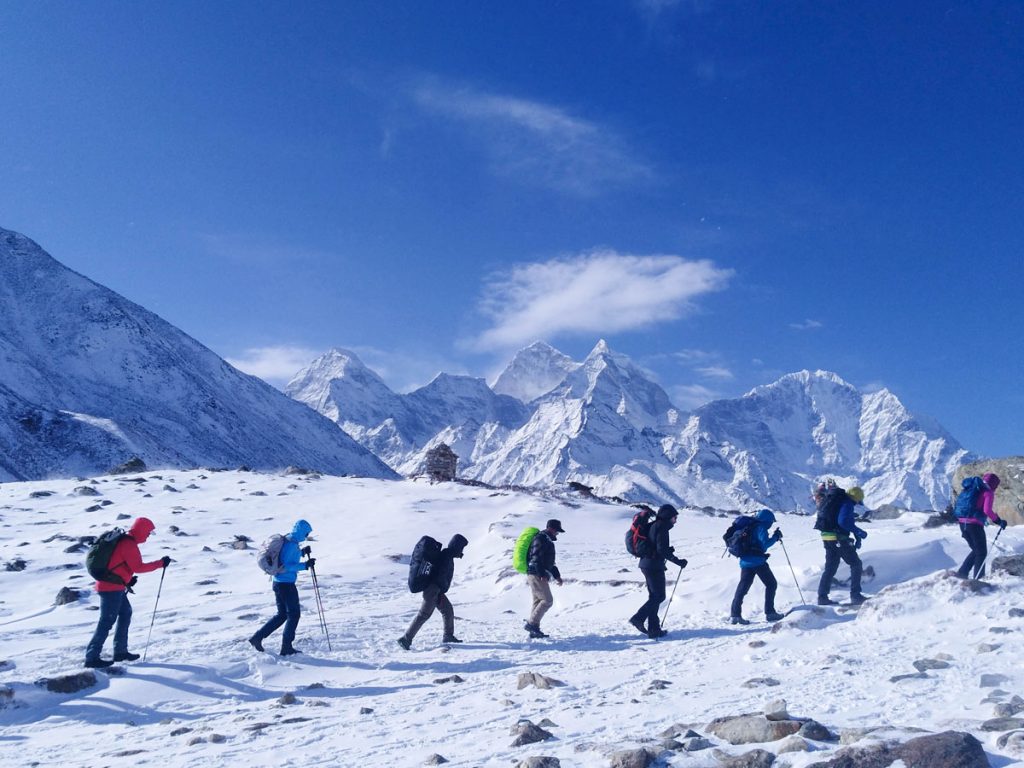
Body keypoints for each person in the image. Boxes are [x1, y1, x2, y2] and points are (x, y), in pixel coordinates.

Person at [84, 517, 170, 668]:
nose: (148, 535)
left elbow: (117, 564)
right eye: (148, 532)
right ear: (141, 530)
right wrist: (160, 563)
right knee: (106, 621)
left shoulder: (125, 541)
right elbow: (138, 567)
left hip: (113, 586)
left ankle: (120, 651)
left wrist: (126, 580)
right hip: (110, 588)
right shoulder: (128, 544)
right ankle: (92, 658)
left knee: (125, 613)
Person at [249, 519, 315, 656]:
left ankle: (257, 638)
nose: (307, 535)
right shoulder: (291, 544)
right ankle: (286, 647)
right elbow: (286, 566)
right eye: (307, 532)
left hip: (279, 583)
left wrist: (302, 553)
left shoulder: (289, 540)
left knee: (282, 615)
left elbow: (286, 559)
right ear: (302, 531)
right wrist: (305, 565)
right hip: (286, 585)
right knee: (294, 614)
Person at [398, 534, 469, 650]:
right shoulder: (446, 556)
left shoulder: (448, 555)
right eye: (461, 547)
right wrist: (439, 591)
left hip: (436, 590)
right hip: (433, 591)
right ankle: (406, 639)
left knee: (448, 610)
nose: (462, 550)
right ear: (457, 546)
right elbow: (439, 575)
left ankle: (448, 636)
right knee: (423, 615)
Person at [628, 504, 687, 638]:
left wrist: (666, 551)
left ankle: (654, 629)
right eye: (674, 517)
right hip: (653, 565)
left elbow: (656, 546)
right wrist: (678, 561)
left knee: (654, 596)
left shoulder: (655, 525)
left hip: (648, 563)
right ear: (668, 516)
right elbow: (661, 549)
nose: (675, 520)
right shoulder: (661, 527)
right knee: (659, 596)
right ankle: (638, 618)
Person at [729, 509, 785, 624]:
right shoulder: (761, 527)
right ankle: (770, 613)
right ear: (768, 520)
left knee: (742, 588)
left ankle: (735, 615)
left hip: (745, 561)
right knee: (771, 584)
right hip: (757, 562)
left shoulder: (750, 526)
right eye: (771, 521)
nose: (771, 524)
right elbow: (765, 544)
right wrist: (775, 537)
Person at [817, 486, 868, 606]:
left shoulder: (837, 501)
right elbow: (843, 522)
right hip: (838, 538)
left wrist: (856, 536)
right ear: (856, 498)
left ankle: (822, 597)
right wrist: (860, 532)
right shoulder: (847, 503)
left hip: (827, 537)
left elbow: (846, 522)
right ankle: (855, 595)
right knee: (856, 564)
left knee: (830, 568)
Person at [956, 472, 1007, 580]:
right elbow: (987, 510)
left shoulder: (971, 488)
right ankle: (979, 580)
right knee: (981, 553)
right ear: (994, 484)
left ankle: (961, 573)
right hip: (974, 525)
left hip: (962, 523)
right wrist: (998, 521)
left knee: (976, 550)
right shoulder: (988, 492)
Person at [524, 519, 565, 639]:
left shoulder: (546, 540)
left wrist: (557, 576)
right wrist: (541, 573)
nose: (557, 534)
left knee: (538, 601)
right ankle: (532, 624)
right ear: (552, 529)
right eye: (557, 531)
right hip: (536, 574)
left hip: (536, 573)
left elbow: (550, 562)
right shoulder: (541, 539)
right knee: (547, 601)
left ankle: (534, 630)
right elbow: (536, 557)